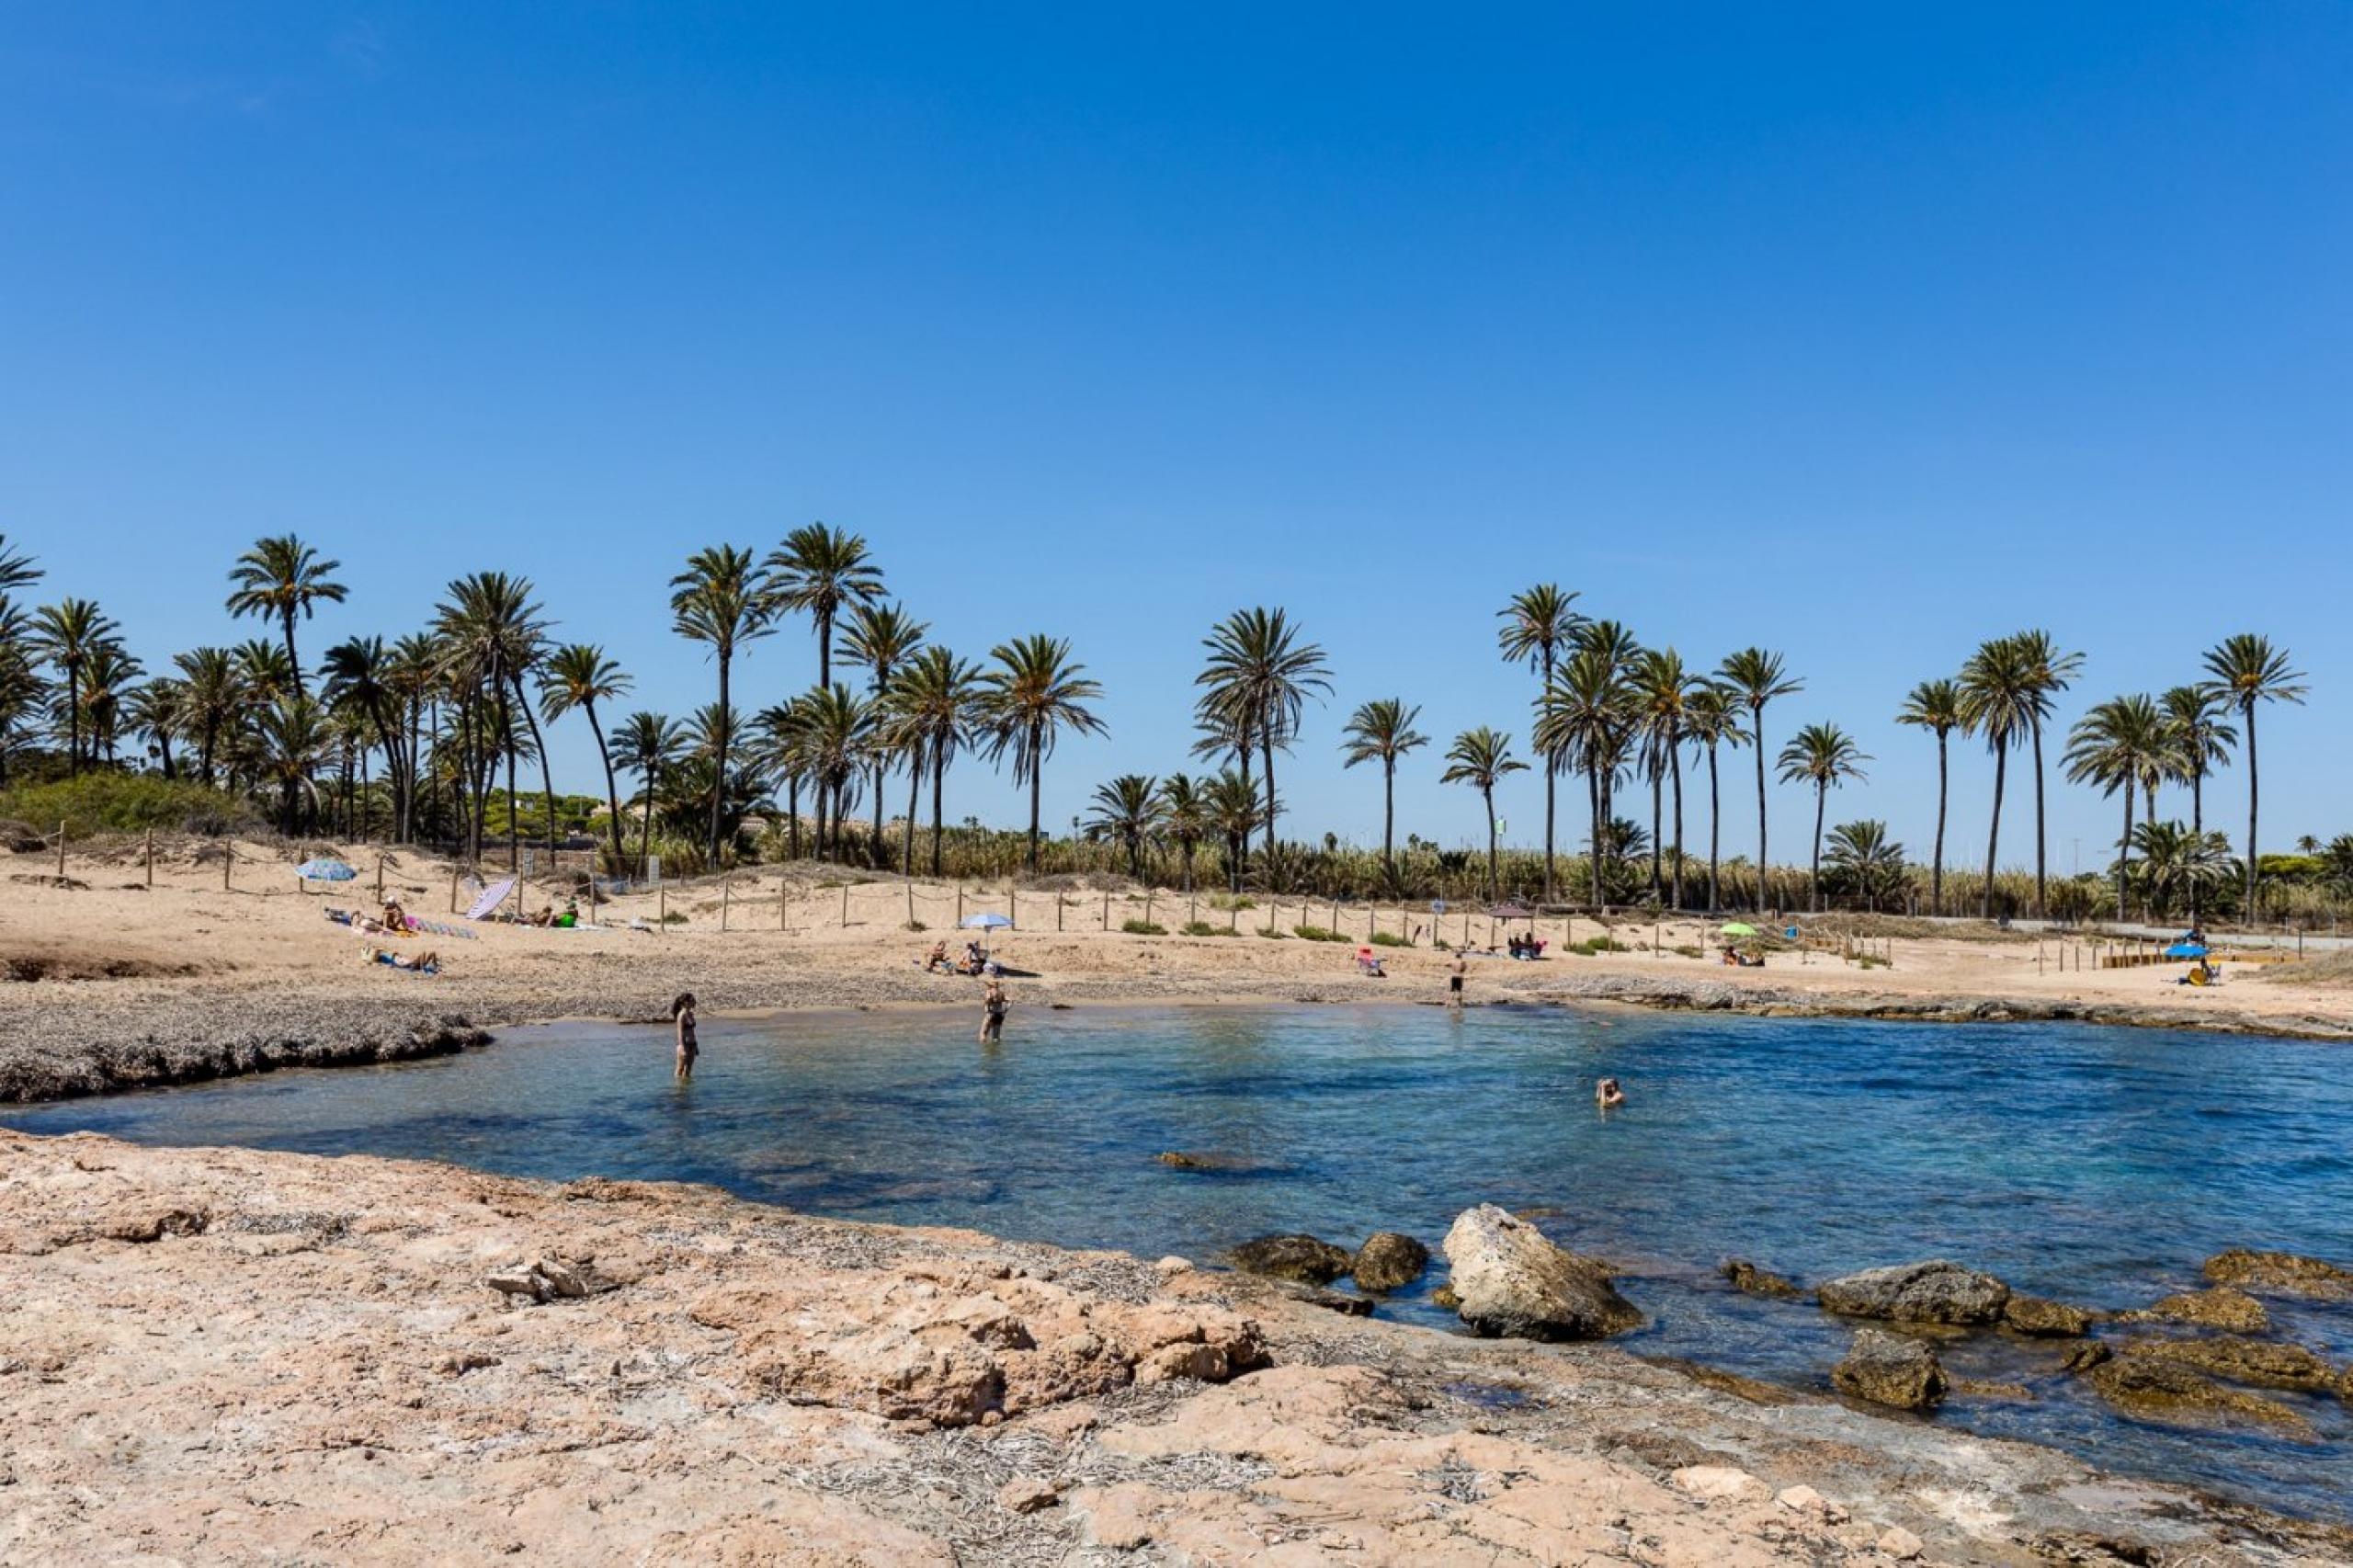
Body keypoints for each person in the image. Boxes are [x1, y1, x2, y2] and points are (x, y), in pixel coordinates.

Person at [672, 993, 699, 1081]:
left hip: (692, 1044)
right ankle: (678, 1089)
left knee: (689, 1069)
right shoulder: (681, 1015)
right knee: (680, 1068)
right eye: (692, 1000)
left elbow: (692, 1031)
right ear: (686, 1002)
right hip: (684, 1045)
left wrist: (696, 1046)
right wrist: (681, 1047)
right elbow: (679, 1031)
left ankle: (686, 1089)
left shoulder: (691, 1014)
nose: (694, 1002)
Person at [979, 978, 1008, 1043]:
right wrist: (1006, 1010)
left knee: (983, 1034)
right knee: (996, 1037)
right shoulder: (1000, 992)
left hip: (991, 1013)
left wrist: (986, 1007)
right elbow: (1010, 1001)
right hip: (1000, 1015)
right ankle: (997, 1051)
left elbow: (988, 998)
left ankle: (985, 1051)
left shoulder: (989, 991)